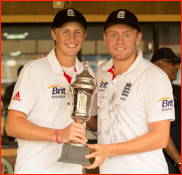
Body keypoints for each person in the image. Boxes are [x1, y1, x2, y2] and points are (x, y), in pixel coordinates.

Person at [83, 9, 175, 174]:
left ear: (138, 38)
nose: (120, 41)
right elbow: (99, 122)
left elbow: (161, 138)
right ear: (105, 38)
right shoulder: (100, 72)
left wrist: (110, 150)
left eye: (127, 35)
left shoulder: (154, 77)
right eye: (113, 35)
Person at [5, 8, 95, 174]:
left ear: (84, 35)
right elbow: (12, 125)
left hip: (72, 169)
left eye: (77, 32)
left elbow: (92, 120)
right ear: (54, 34)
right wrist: (59, 135)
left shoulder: (88, 73)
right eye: (65, 31)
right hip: (35, 169)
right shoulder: (35, 69)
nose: (72, 38)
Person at [150, 47, 181, 174]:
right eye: (173, 63)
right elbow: (161, 131)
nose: (178, 67)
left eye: (178, 63)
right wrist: (178, 161)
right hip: (165, 163)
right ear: (157, 65)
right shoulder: (152, 91)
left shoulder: (176, 90)